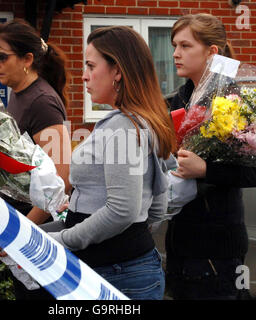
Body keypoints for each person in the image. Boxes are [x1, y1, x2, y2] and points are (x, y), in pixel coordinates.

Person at [47, 25, 177, 300]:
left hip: (116, 272)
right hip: (126, 266)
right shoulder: (139, 119)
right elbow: (156, 204)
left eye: (91, 66)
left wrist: (61, 240)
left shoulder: (123, 127)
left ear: (117, 70)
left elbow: (122, 211)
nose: (84, 76)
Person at [164, 13, 256, 300]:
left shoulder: (231, 101)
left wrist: (205, 169)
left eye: (185, 46)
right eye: (174, 45)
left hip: (218, 248)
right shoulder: (181, 96)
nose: (175, 54)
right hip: (180, 239)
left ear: (212, 52)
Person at [0, 18, 72, 300]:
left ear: (27, 59)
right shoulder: (19, 95)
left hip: (35, 235)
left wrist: (22, 232)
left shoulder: (42, 101)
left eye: (1, 57)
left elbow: (63, 178)